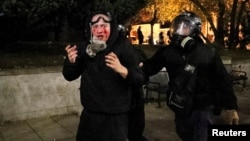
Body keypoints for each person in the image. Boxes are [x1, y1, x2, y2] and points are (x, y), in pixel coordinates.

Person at [140, 11, 239, 141]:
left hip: (203, 107)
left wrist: (231, 107)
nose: (179, 31)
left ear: (195, 31)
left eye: (185, 27)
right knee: (185, 134)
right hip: (181, 107)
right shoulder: (168, 52)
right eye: (177, 26)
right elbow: (148, 68)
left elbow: (222, 79)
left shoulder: (208, 53)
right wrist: (131, 68)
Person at [62, 9, 145, 141]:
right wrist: (71, 62)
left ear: (111, 27)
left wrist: (122, 70)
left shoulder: (122, 45)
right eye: (95, 26)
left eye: (104, 26)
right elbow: (69, 75)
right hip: (90, 115)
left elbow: (140, 78)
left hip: (116, 117)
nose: (100, 31)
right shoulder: (84, 46)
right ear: (90, 28)